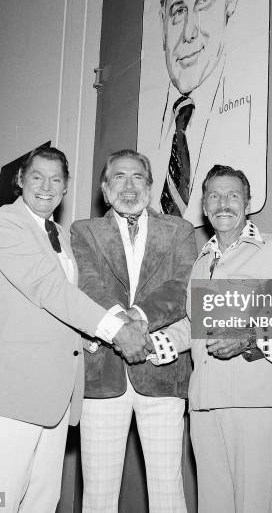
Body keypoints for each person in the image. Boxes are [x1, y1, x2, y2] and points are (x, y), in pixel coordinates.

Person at [0, 146, 147, 513]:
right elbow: (49, 289)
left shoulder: (61, 235)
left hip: (55, 397)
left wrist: (97, 339)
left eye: (56, 179)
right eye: (37, 177)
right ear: (20, 181)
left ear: (65, 189)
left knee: (43, 503)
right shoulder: (3, 224)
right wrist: (117, 331)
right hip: (10, 394)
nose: (46, 186)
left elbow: (61, 313)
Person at [158, 165, 272, 513]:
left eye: (233, 195)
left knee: (252, 506)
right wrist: (152, 343)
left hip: (254, 402)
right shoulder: (201, 262)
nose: (224, 203)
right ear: (204, 207)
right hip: (203, 402)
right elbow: (193, 325)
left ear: (247, 202)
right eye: (214, 195)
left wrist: (248, 336)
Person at [70, 149, 196, 513]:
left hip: (162, 374)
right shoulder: (84, 231)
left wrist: (138, 317)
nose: (128, 185)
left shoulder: (180, 230)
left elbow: (182, 284)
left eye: (137, 177)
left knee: (167, 492)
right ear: (105, 189)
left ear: (150, 185)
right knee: (98, 494)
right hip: (102, 378)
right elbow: (89, 284)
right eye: (119, 178)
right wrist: (120, 328)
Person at [139, 0, 266, 227]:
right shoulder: (149, 142)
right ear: (162, 18)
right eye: (178, 10)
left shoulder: (247, 113)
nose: (189, 32)